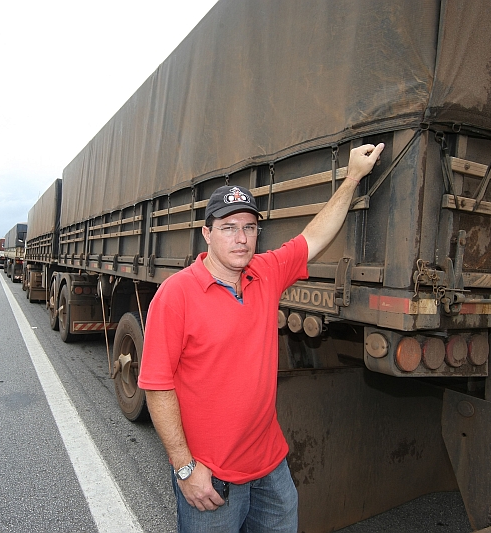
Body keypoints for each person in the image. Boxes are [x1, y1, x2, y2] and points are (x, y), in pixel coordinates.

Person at [137, 143, 384, 532]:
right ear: (206, 233)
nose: (241, 239)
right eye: (229, 228)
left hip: (271, 469)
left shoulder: (265, 274)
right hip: (211, 476)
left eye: (249, 228)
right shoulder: (176, 294)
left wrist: (352, 177)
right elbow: (156, 385)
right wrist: (185, 468)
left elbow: (314, 235)